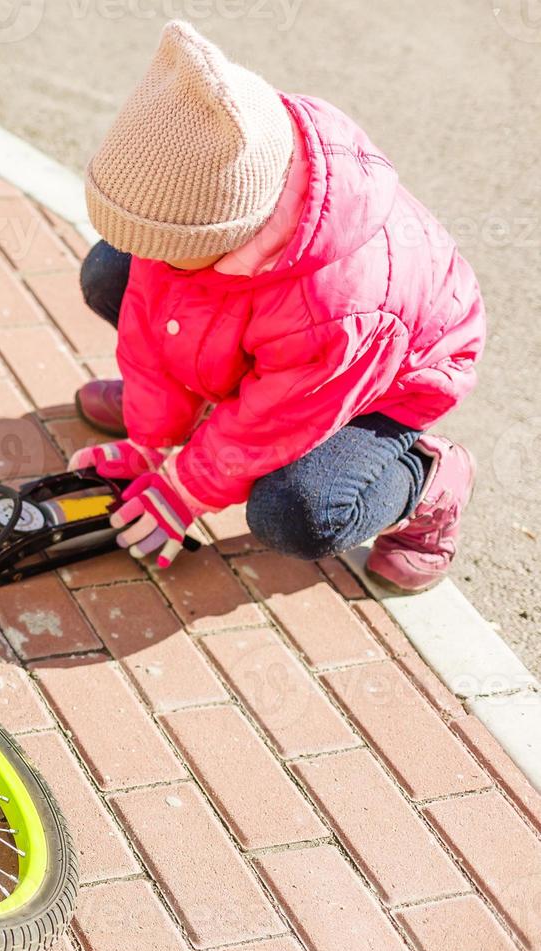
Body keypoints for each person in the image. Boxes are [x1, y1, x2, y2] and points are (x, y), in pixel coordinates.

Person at [67, 21, 484, 593]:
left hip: (385, 379)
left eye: (168, 250)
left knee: (296, 513)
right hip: (285, 337)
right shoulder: (209, 184)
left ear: (225, 234)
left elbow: (282, 412)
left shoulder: (339, 303)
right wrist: (153, 438)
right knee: (110, 270)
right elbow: (149, 308)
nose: (150, 259)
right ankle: (203, 414)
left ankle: (428, 480)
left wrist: (182, 490)